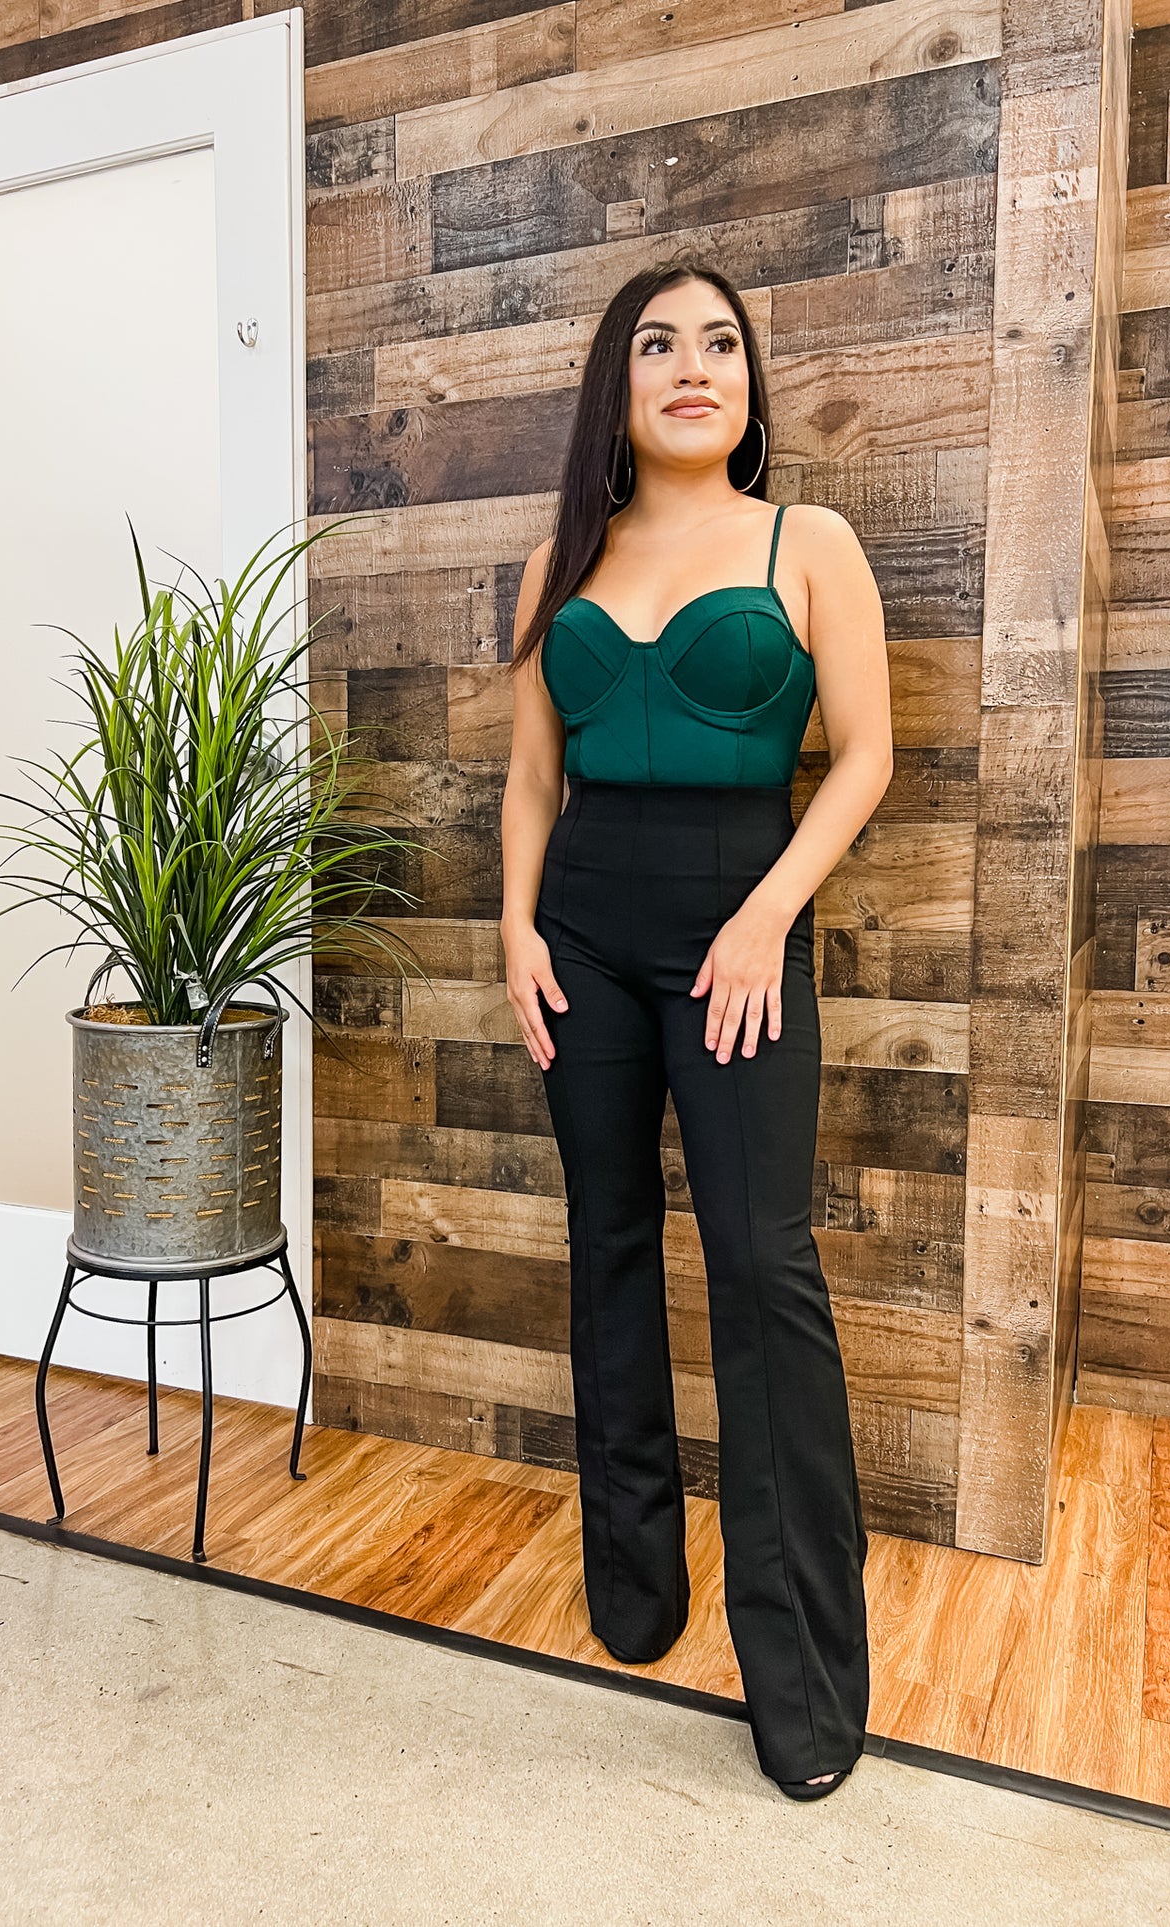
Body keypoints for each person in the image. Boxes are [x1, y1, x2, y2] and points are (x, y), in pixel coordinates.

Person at [499, 259, 893, 1801]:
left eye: (719, 343)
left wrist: (765, 917)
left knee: (759, 1267)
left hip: (741, 930)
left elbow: (861, 757)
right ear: (618, 383)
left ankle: (802, 1687)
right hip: (581, 935)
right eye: (657, 342)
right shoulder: (557, 564)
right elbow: (532, 777)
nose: (692, 365)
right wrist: (515, 927)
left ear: (746, 382)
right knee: (604, 1243)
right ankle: (635, 1590)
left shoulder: (809, 543)